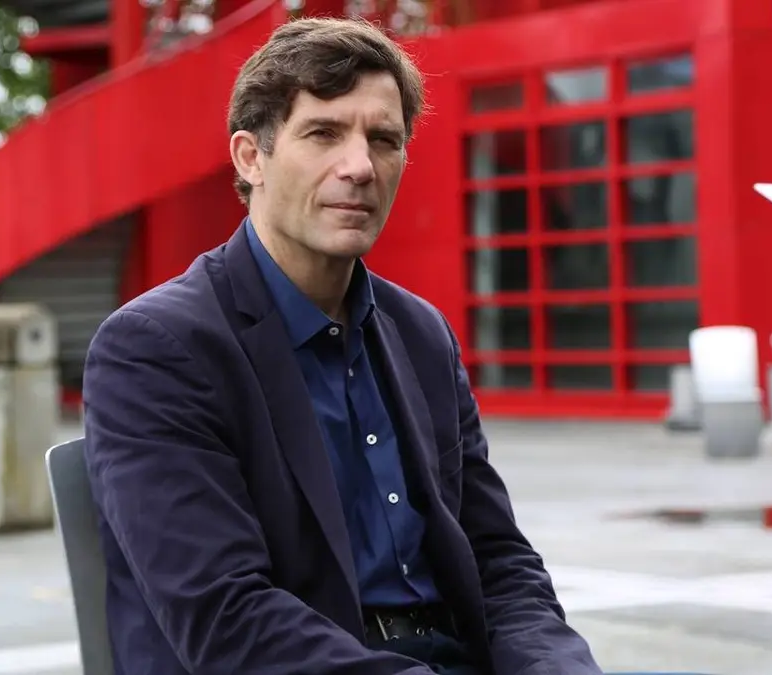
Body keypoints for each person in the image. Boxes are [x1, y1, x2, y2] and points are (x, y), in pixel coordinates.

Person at [82, 16, 602, 675]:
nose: (359, 167)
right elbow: (226, 617)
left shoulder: (420, 333)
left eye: (383, 140)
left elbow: (499, 559)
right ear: (251, 157)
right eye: (323, 134)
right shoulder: (157, 349)